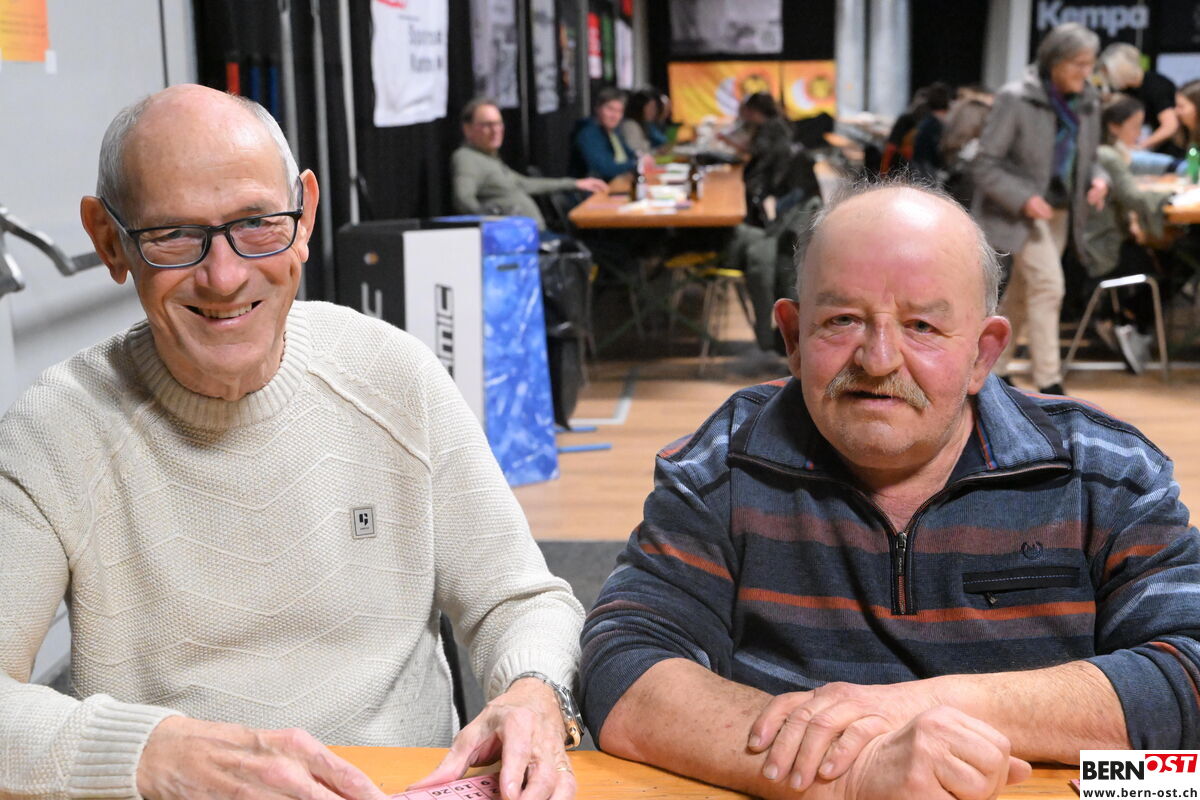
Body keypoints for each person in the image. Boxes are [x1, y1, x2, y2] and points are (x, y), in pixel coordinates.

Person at [0, 85, 585, 800]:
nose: (224, 277)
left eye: (256, 224)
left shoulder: (392, 374)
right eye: (173, 235)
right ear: (107, 240)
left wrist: (533, 689)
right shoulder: (54, 432)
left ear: (304, 216)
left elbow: (521, 600)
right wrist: (153, 753)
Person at [580, 178, 1200, 800]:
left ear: (983, 354)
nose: (878, 360)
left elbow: (1191, 671)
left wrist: (917, 708)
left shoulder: (1105, 471)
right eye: (842, 320)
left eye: (922, 325)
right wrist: (855, 771)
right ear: (792, 339)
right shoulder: (723, 464)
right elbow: (624, 662)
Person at [973, 22, 1108, 395]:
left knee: (1022, 292)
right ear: (1055, 61)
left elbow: (1091, 159)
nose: (1086, 72)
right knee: (1049, 287)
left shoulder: (1089, 101)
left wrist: (1099, 180)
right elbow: (984, 163)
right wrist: (1024, 198)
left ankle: (993, 368)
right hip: (1021, 214)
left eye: (1090, 64)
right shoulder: (1015, 98)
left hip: (1061, 213)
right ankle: (1049, 381)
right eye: (1078, 64)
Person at [1082, 93, 1175, 373]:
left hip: (1099, 242)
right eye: (1135, 126)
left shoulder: (1103, 151)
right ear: (1114, 126)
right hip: (1104, 248)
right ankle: (1126, 323)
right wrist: (1172, 196)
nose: (1140, 133)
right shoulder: (1108, 155)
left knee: (1161, 259)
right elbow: (1133, 197)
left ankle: (1121, 320)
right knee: (1168, 270)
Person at [451, 97, 606, 232]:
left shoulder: (489, 158)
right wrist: (494, 225)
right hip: (515, 242)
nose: (496, 130)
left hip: (531, 235)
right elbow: (463, 199)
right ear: (467, 129)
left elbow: (525, 184)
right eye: (488, 124)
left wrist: (575, 183)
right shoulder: (466, 157)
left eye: (499, 124)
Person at [1096, 43, 1182, 158]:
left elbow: (1170, 125)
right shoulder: (1119, 89)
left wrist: (1142, 145)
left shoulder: (1157, 86)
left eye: (1109, 74)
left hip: (1162, 151)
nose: (1108, 79)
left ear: (1120, 70)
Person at [570, 88, 638, 181]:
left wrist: (639, 157)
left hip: (616, 183)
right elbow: (605, 169)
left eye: (620, 111)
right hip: (594, 188)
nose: (615, 116)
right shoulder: (588, 134)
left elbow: (629, 153)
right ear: (597, 108)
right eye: (610, 109)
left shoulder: (613, 131)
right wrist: (635, 163)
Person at [618, 89, 668, 157]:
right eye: (650, 107)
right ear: (639, 107)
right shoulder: (630, 125)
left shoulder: (645, 124)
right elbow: (635, 153)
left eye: (655, 108)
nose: (654, 112)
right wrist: (657, 152)